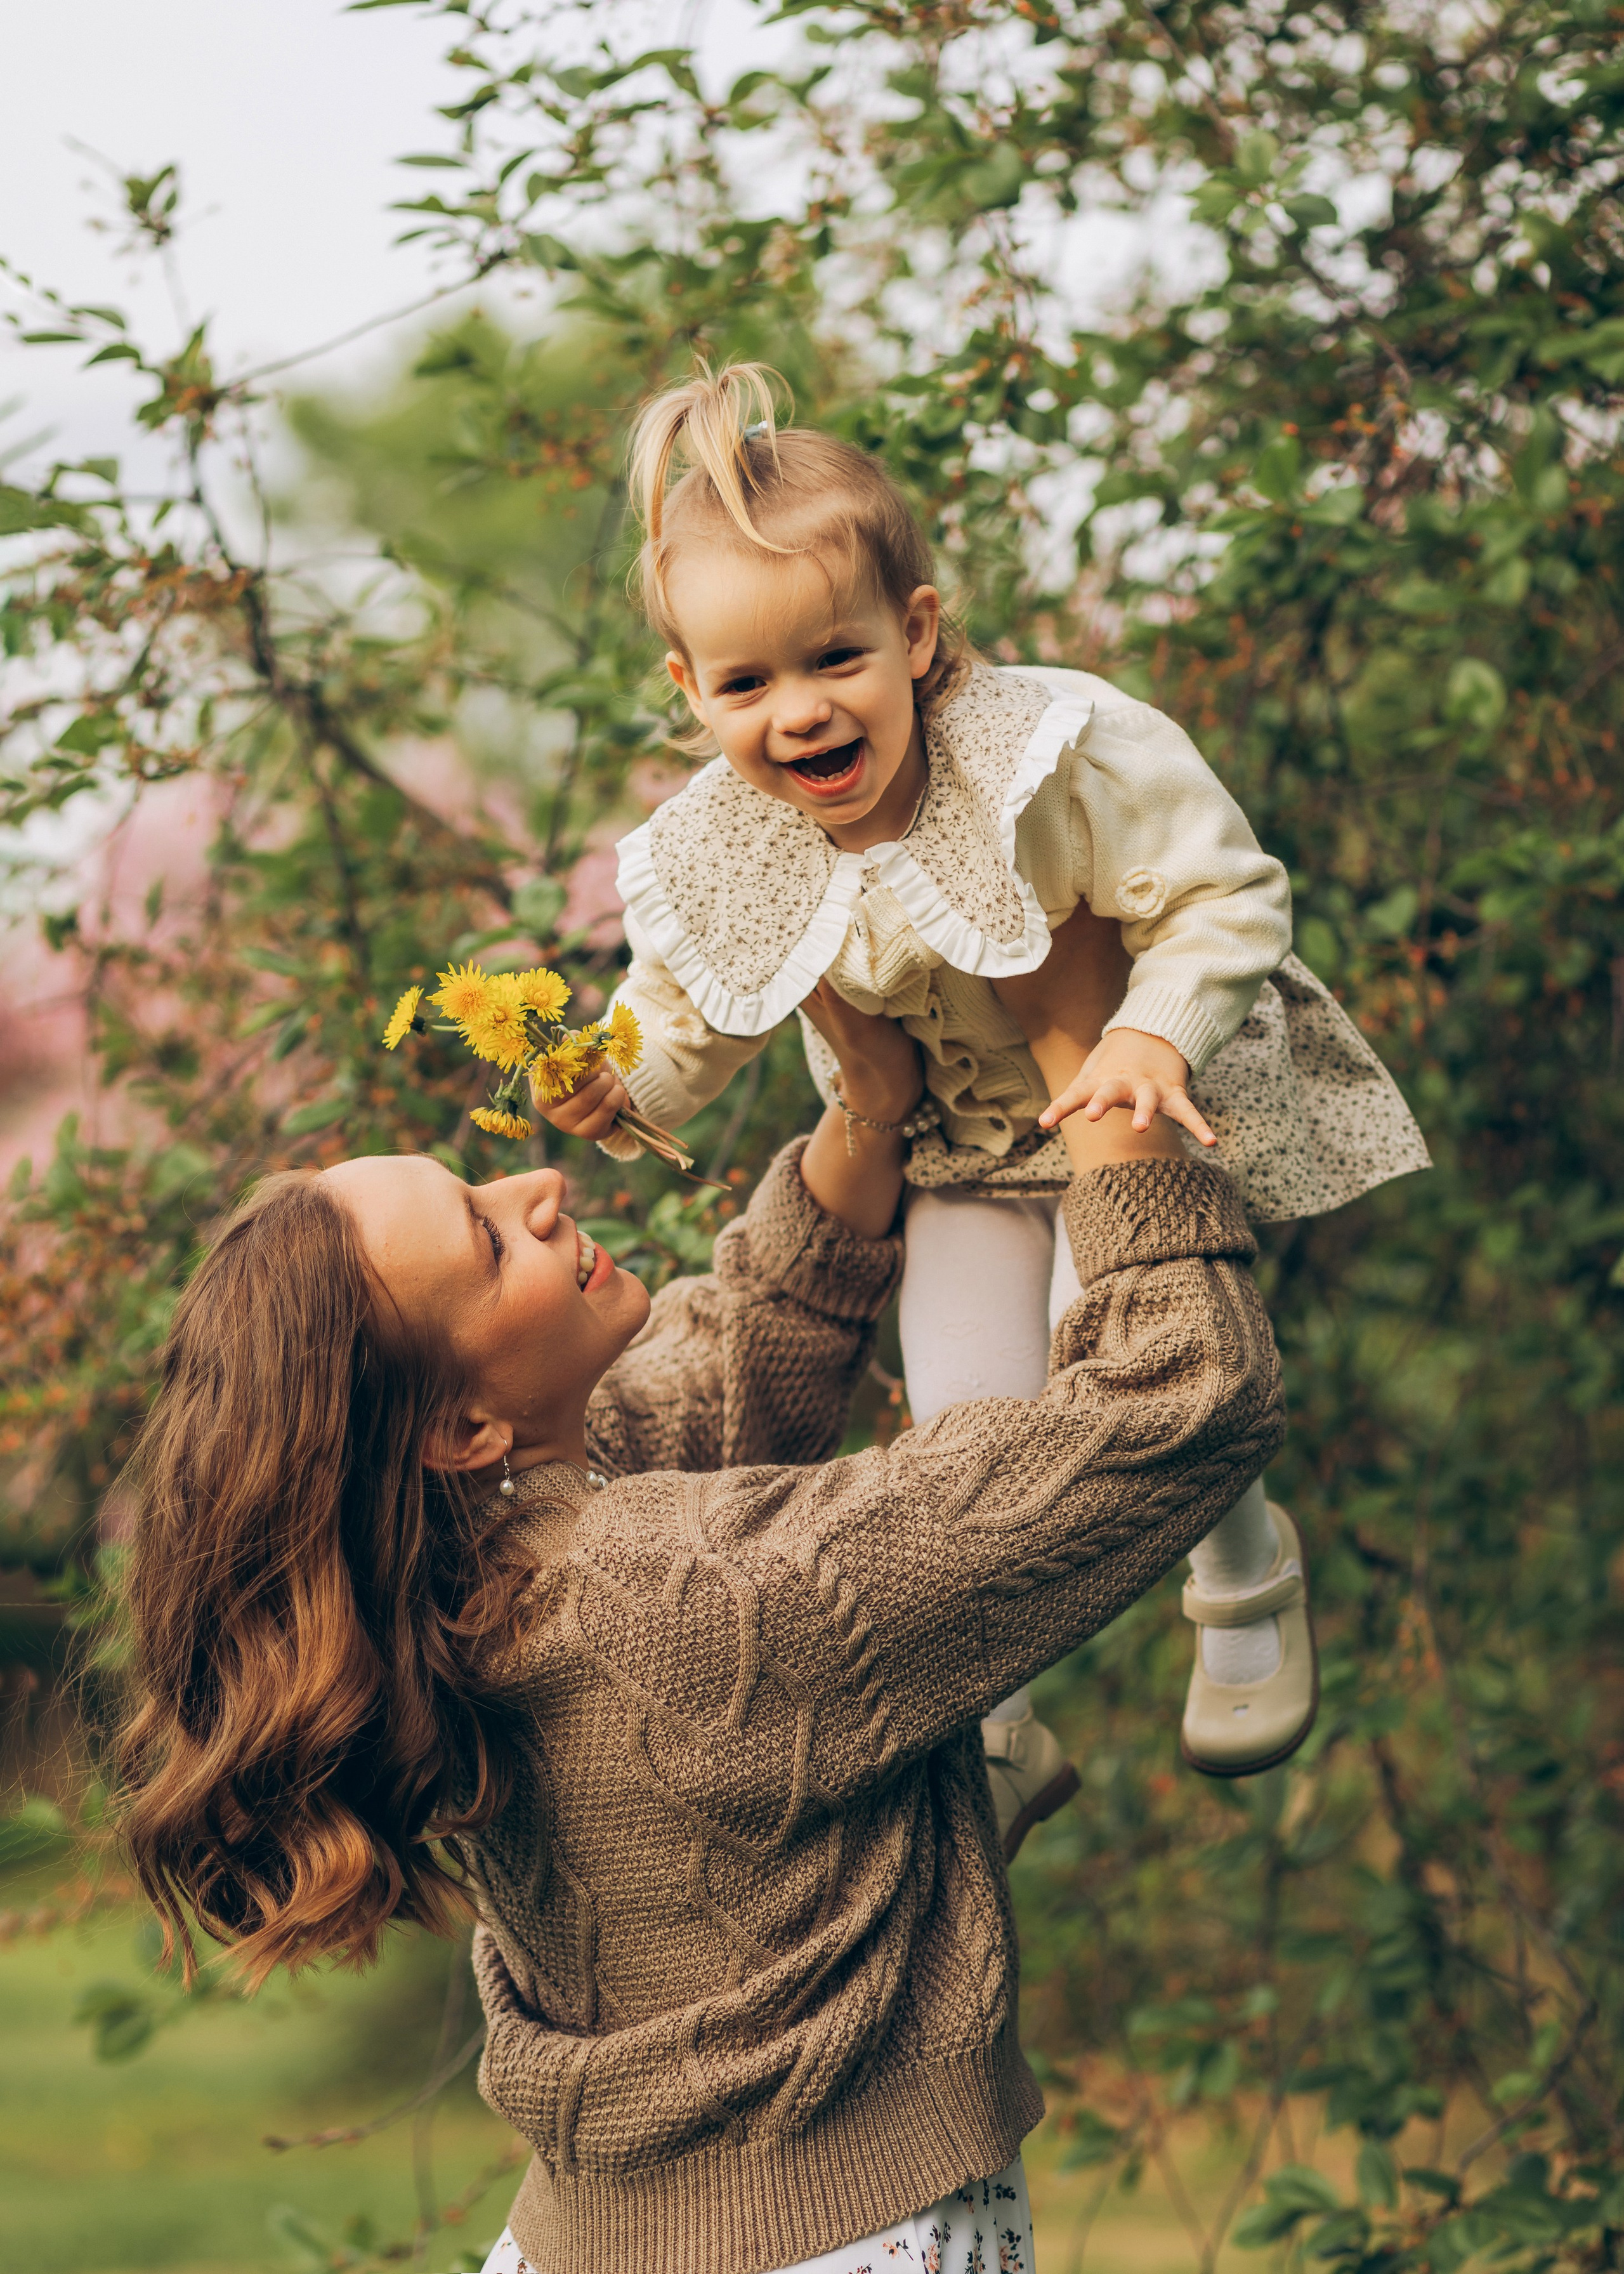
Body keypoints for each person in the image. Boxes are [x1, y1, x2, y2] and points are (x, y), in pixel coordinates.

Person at [117, 912, 1284, 2274]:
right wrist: (1095, 1056)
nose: (537, 1185)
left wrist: (868, 1116)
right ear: (460, 1433)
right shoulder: (692, 1601)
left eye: (484, 1189)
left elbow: (726, 1374)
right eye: (492, 1244)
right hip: (844, 2242)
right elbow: (1177, 1405)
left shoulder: (460, 1583)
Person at [534, 360, 1428, 1806]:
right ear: (689, 693)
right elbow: (681, 1007)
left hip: (1115, 1114)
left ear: (915, 632)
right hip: (954, 1155)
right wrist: (614, 1077)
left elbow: (1226, 893)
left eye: (836, 658)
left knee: (1122, 1337)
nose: (801, 712)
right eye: (747, 683)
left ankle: (1245, 1577)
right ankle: (1000, 1715)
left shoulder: (1048, 752)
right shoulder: (724, 841)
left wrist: (1153, 1029)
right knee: (965, 1429)